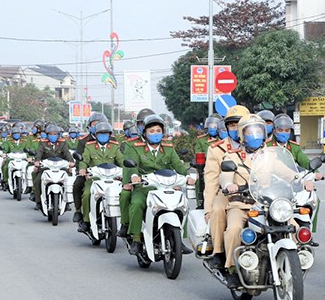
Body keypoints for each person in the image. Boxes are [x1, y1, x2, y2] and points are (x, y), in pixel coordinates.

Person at [122, 114, 196, 255]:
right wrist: (134, 176)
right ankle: (136, 239)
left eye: (158, 131)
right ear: (145, 133)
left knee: (182, 203)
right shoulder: (136, 148)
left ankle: (179, 239)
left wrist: (188, 176)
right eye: (151, 131)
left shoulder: (168, 148)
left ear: (163, 132)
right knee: (136, 203)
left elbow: (178, 165)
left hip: (166, 185)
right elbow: (132, 166)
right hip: (144, 186)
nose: (155, 134)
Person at [217, 113, 268, 288]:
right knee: (233, 230)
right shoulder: (232, 156)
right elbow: (224, 175)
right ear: (242, 135)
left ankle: (297, 259)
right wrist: (229, 184)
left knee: (294, 226)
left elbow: (288, 172)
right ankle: (231, 269)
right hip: (241, 205)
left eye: (258, 131)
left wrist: (304, 178)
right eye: (250, 132)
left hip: (267, 206)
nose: (254, 135)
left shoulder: (271, 156)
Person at [203, 105, 250, 269]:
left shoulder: (259, 145)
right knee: (217, 209)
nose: (236, 129)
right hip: (227, 193)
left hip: (255, 193)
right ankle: (218, 251)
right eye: (232, 125)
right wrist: (208, 208)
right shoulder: (217, 149)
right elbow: (211, 180)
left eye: (239, 125)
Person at [77, 121, 124, 231]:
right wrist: (82, 169)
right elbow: (84, 160)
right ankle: (86, 221)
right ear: (96, 135)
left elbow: (121, 160)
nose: (103, 136)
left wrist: (125, 172)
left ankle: (123, 222)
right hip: (94, 179)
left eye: (106, 133)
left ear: (109, 135)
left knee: (121, 195)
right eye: (100, 133)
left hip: (112, 178)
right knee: (87, 194)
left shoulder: (114, 147)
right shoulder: (89, 146)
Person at [72, 112, 110, 222]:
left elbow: (120, 159)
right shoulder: (84, 141)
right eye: (94, 124)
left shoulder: (112, 141)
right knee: (78, 185)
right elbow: (81, 160)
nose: (98, 126)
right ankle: (78, 211)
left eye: (100, 123)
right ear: (89, 126)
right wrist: (82, 171)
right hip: (90, 174)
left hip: (110, 174)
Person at [33, 124, 75, 210]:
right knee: (38, 180)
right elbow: (39, 153)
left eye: (55, 134)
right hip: (46, 167)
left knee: (68, 180)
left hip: (60, 167)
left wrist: (71, 162)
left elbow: (67, 153)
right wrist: (37, 161)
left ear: (58, 135)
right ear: (47, 135)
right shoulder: (43, 143)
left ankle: (67, 201)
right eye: (50, 134)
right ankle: (38, 201)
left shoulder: (62, 143)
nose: (53, 136)